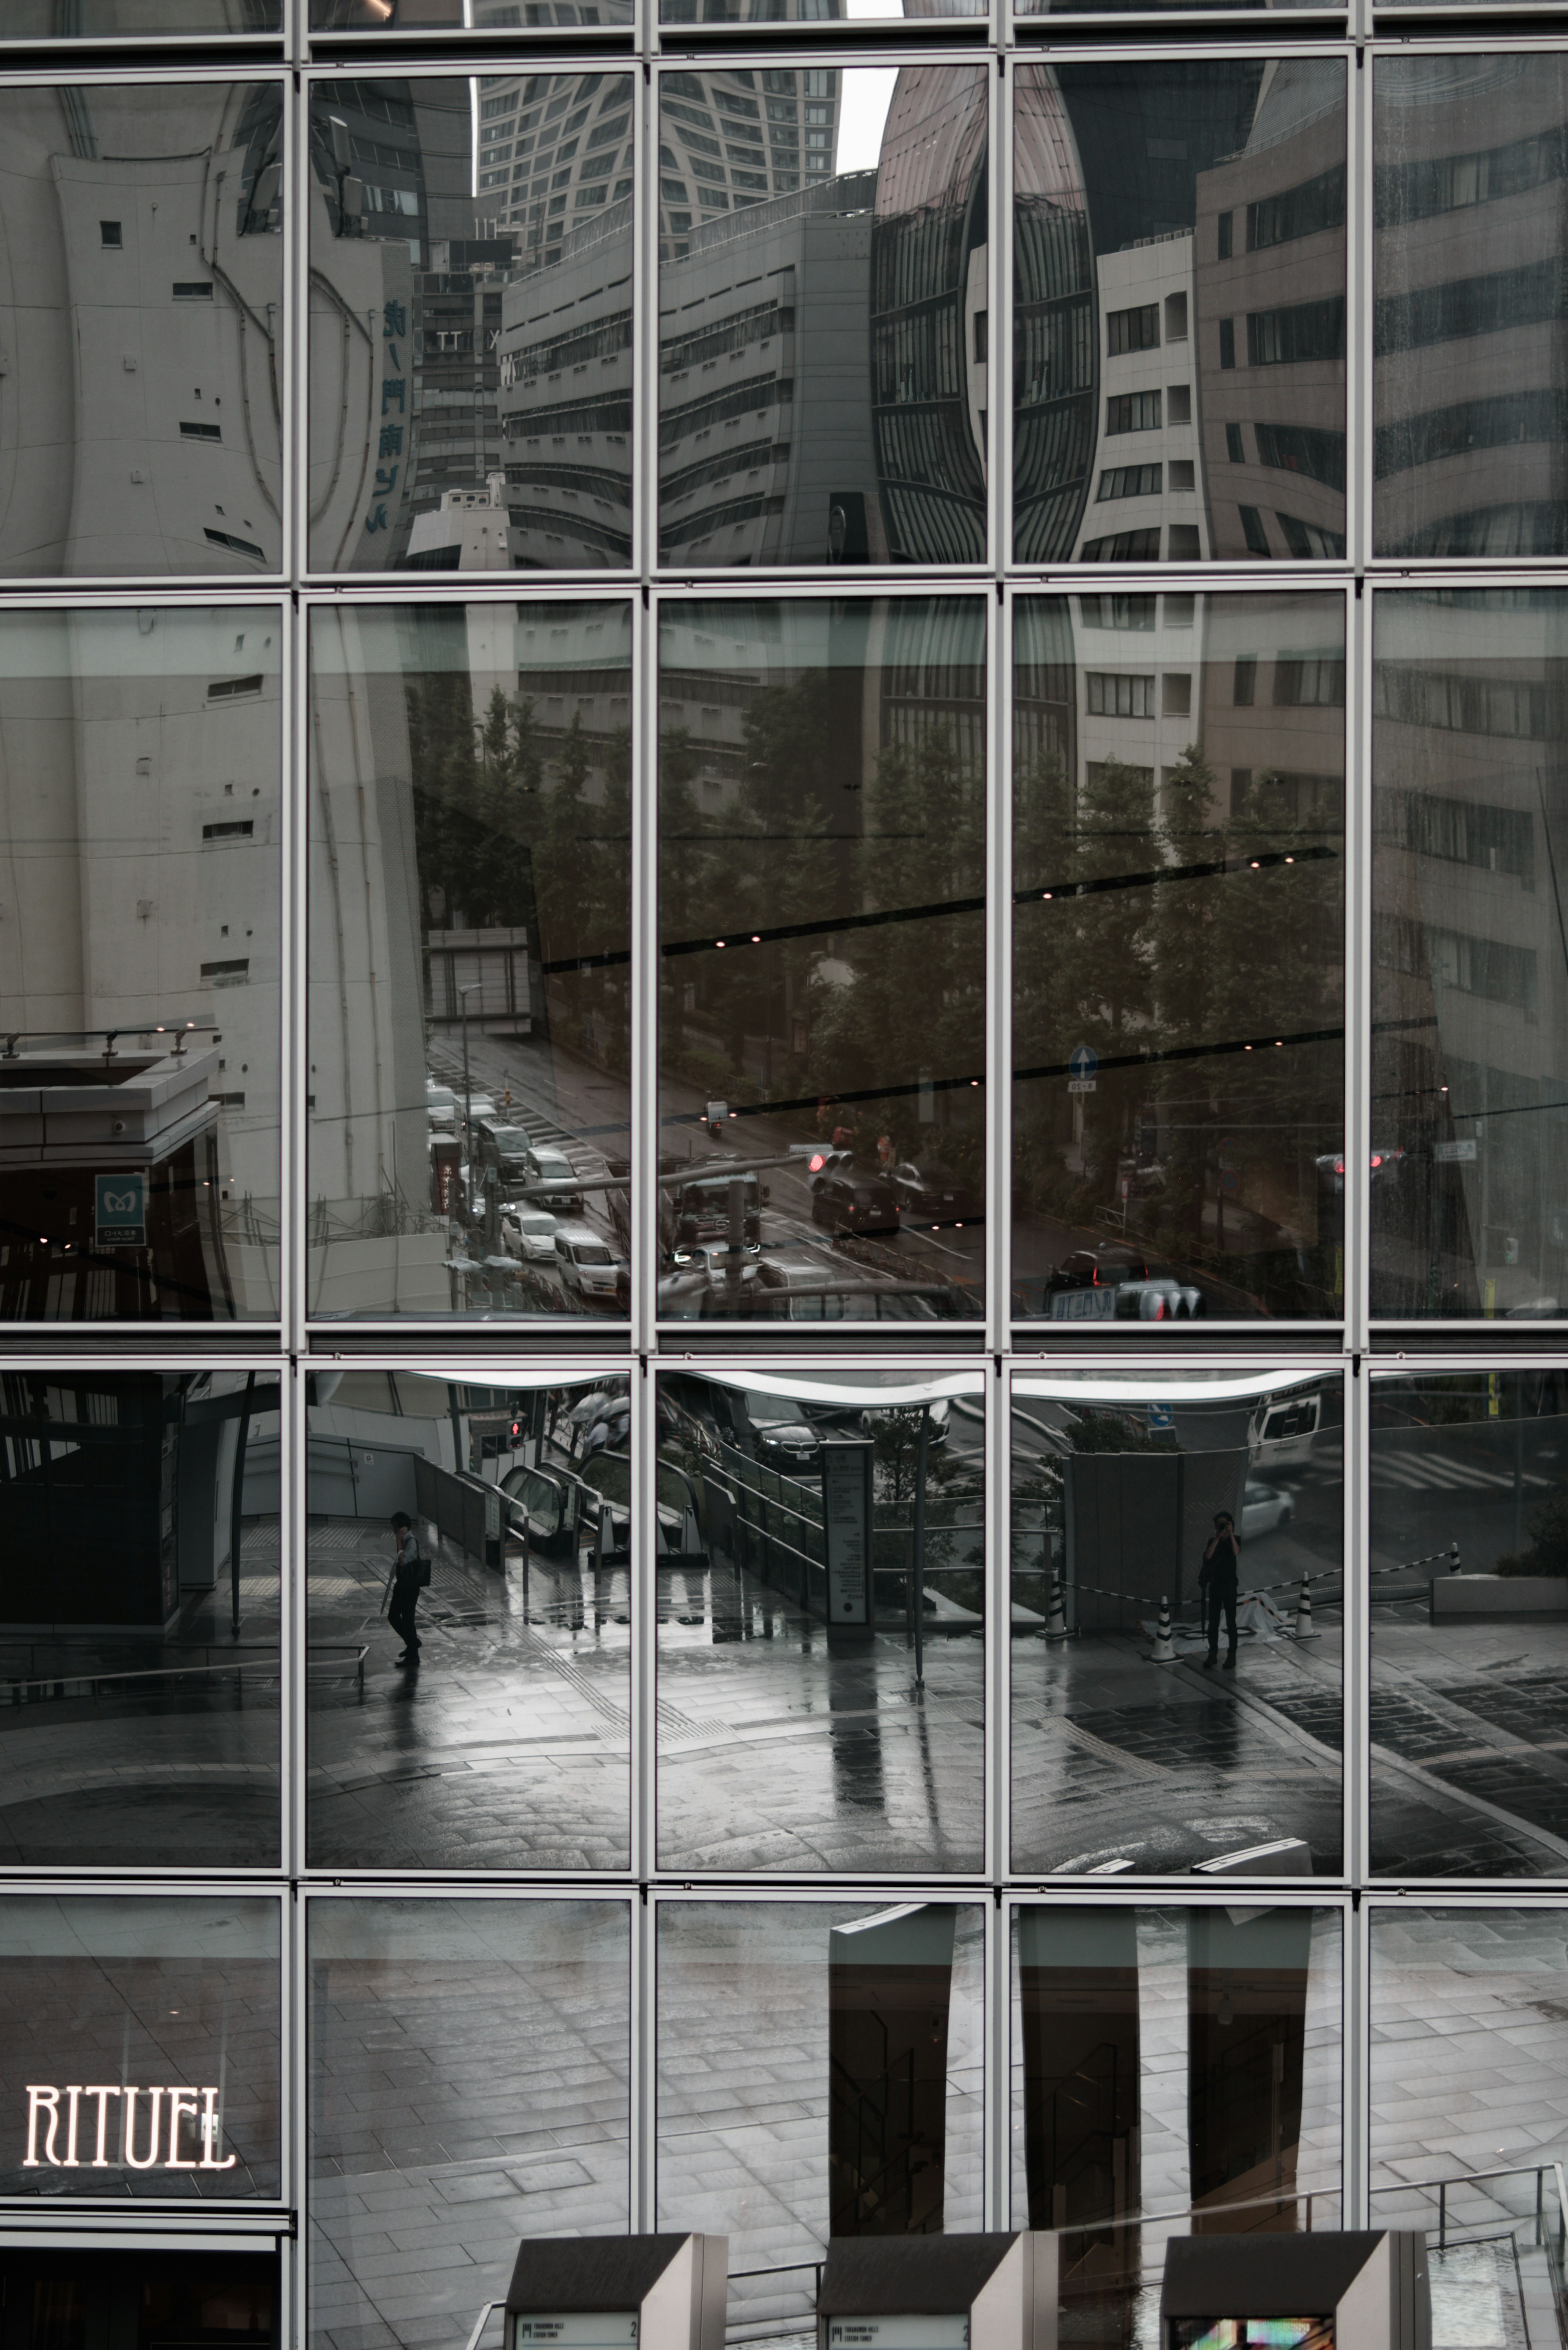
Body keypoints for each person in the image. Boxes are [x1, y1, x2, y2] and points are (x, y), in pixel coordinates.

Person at [1200, 1509, 1241, 1670]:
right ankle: (1213, 1653)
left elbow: (1236, 1552)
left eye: (1225, 1524)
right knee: (1214, 1622)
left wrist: (1230, 1534)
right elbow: (1208, 1556)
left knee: (1231, 1622)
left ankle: (1232, 1655)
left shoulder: (1235, 1540)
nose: (1222, 1527)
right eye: (1220, 1525)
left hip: (1230, 1585)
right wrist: (1218, 1538)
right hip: (1216, 1585)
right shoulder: (1213, 1541)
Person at [387, 1509, 423, 1668]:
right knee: (394, 1616)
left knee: (407, 1620)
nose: (394, 1531)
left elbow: (403, 1561)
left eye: (396, 1528)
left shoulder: (411, 1542)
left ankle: (413, 1650)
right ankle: (412, 1644)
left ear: (403, 1528)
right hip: (403, 1585)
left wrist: (399, 1542)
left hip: (409, 1587)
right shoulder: (407, 1541)